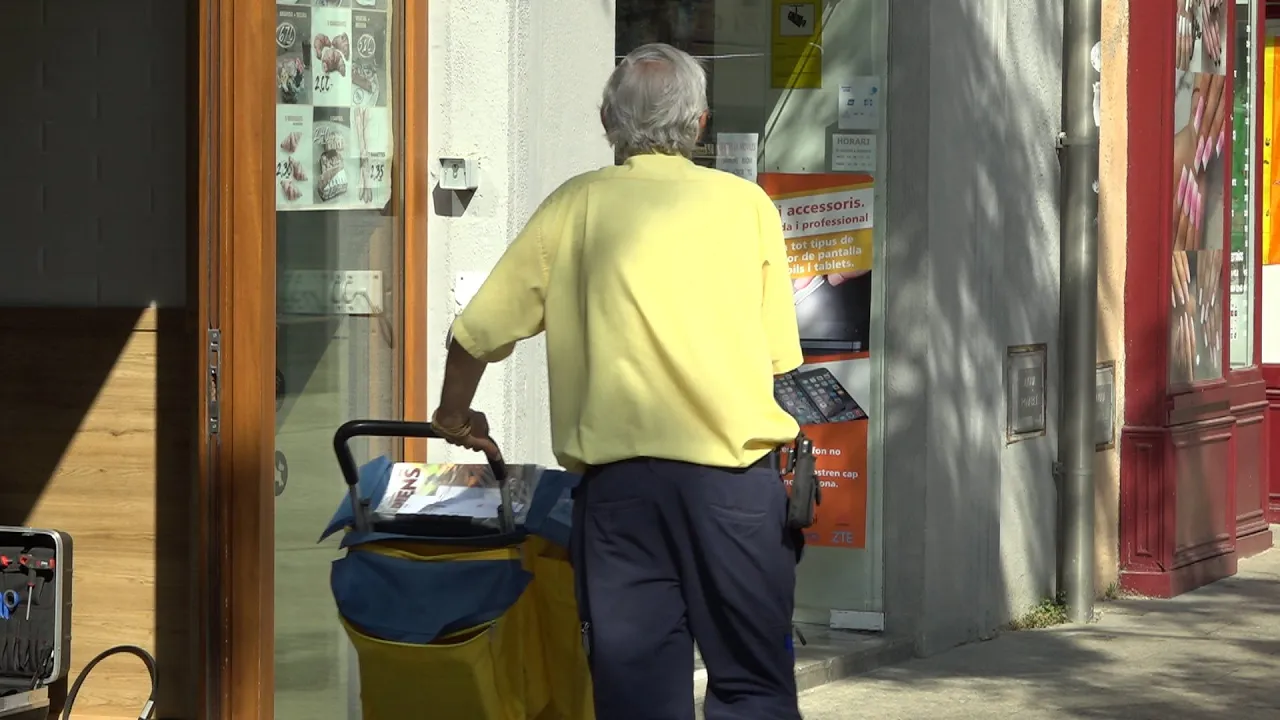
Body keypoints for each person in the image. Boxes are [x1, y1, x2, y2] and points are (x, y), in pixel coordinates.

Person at [430, 42, 804, 720]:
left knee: (635, 695)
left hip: (621, 495)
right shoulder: (748, 207)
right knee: (754, 684)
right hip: (734, 488)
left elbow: (474, 333)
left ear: (607, 119)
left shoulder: (573, 206)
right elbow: (781, 361)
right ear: (700, 124)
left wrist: (453, 416)